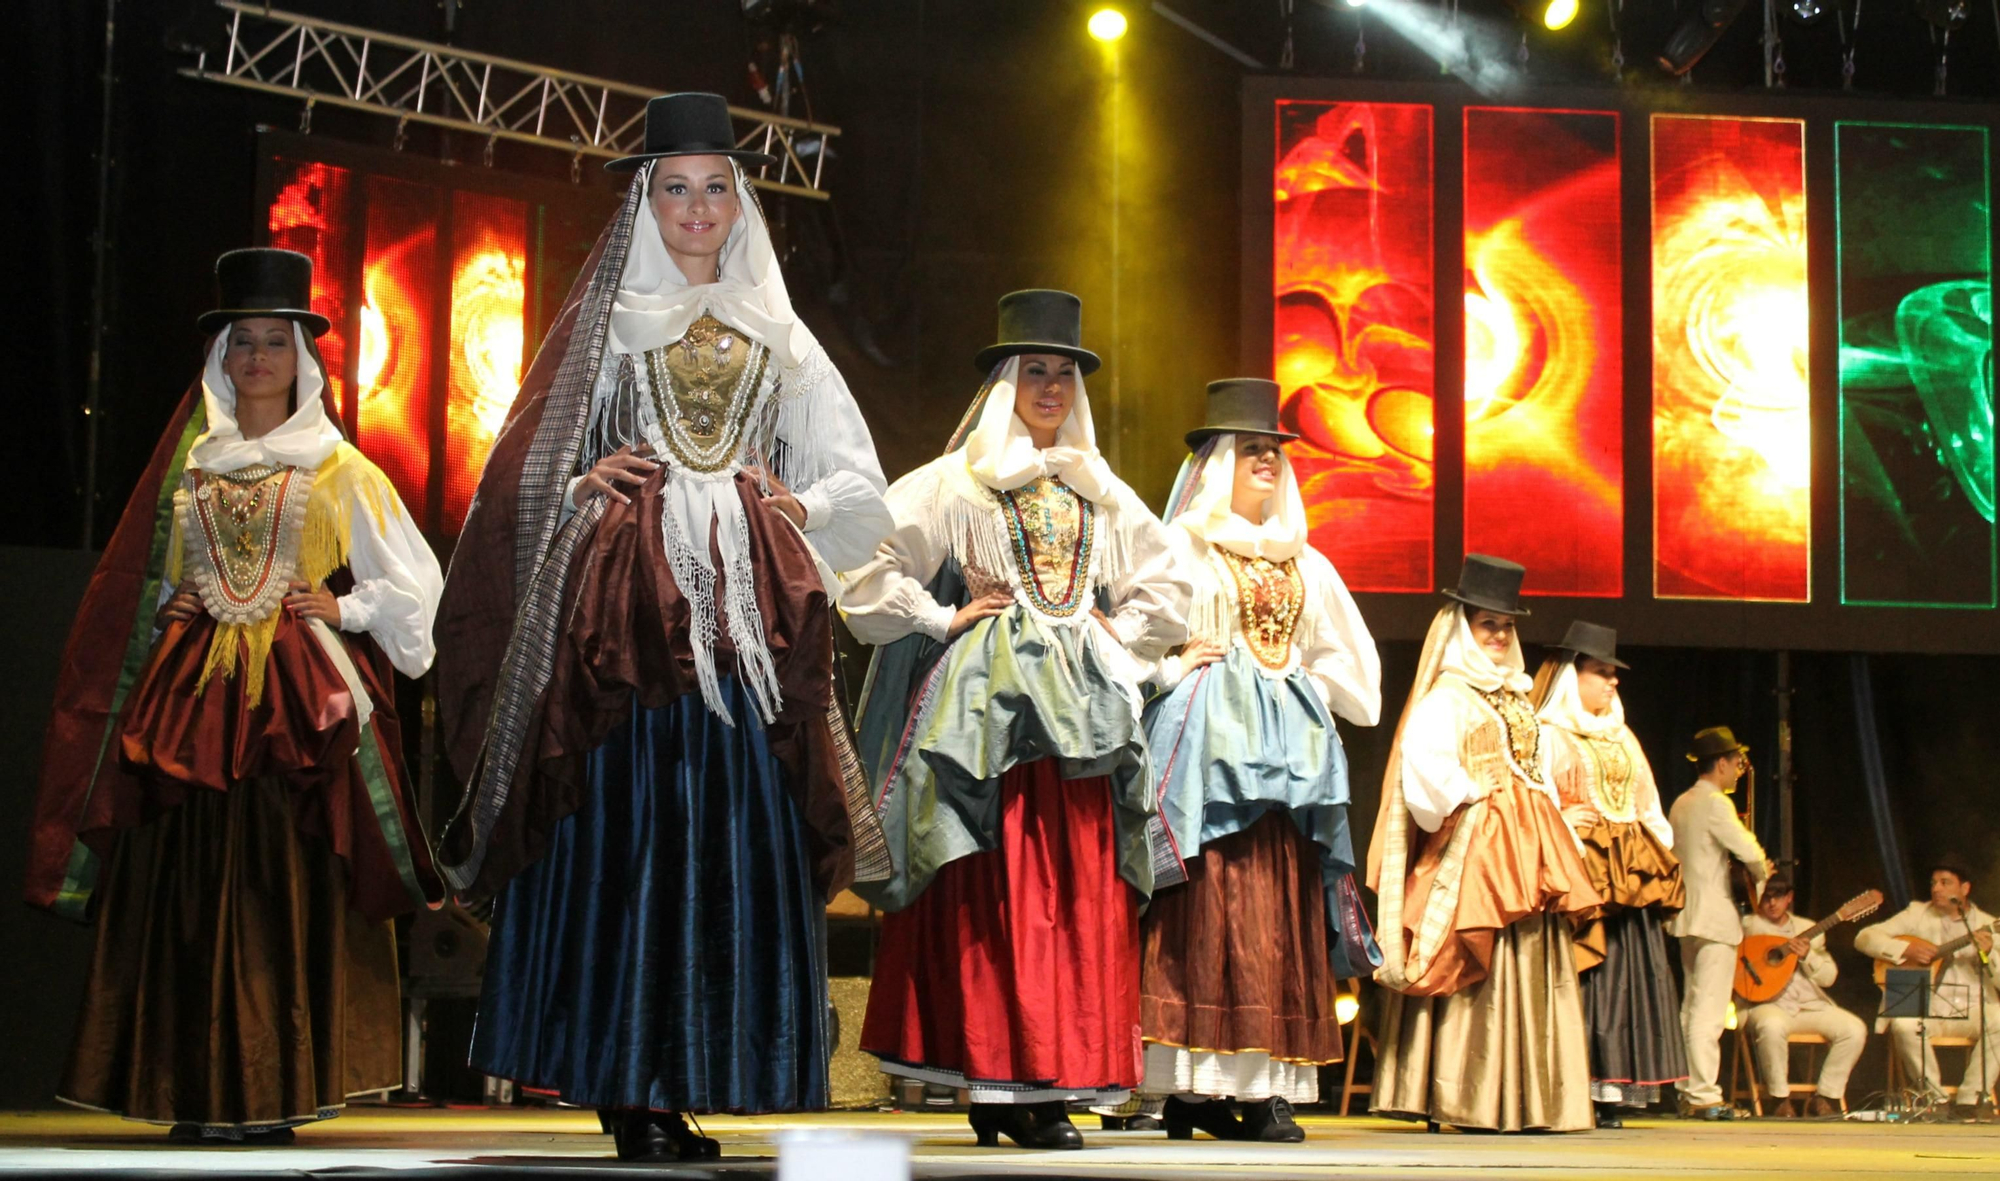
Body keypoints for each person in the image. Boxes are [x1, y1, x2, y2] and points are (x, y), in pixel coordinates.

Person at [433, 93, 895, 1162]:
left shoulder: (781, 339)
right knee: (626, 830)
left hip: (741, 627)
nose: (697, 207)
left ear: (740, 207)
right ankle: (625, 1080)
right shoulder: (604, 329)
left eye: (715, 188)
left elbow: (861, 485)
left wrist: (798, 507)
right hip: (621, 623)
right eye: (675, 188)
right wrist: (587, 480)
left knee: (723, 834)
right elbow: (517, 478)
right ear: (649, 201)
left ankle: (681, 1074)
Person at [26, 247, 444, 1141]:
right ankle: (190, 1088)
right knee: (183, 884)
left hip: (294, 707)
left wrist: (346, 601)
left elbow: (418, 586)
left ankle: (271, 1090)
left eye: (274, 340)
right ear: (221, 359)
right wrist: (173, 603)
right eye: (242, 341)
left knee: (277, 889)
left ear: (303, 358)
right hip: (191, 706)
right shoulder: (190, 471)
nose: (258, 357)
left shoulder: (341, 469)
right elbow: (149, 584)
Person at [841, 289, 1190, 1150]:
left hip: (1083, 718)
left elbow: (1171, 590)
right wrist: (938, 619)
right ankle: (1002, 1085)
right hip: (988, 715)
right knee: (998, 888)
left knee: (1077, 890)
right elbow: (865, 569)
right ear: (1004, 381)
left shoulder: (1099, 495)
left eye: (1064, 373)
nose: (1050, 387)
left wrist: (1119, 644)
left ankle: (1051, 1076)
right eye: (1034, 370)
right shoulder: (958, 483)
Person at [1135, 379, 1382, 1142]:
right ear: (1216, 464)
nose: (1267, 462)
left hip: (1287, 760)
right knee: (1206, 897)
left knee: (1277, 902)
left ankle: (1266, 1087)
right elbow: (1127, 636)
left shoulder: (1309, 565)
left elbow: (1359, 674)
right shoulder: (1182, 547)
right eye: (1251, 450)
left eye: (1274, 451)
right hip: (1207, 752)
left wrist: (1306, 683)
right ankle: (1188, 1088)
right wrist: (1172, 666)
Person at [1367, 555, 1601, 1134]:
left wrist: (1559, 827)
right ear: (1461, 628)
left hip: (1529, 850)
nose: (1498, 635)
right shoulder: (1447, 697)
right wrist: (1472, 789)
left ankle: (1531, 1098)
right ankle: (1468, 1095)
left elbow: (1537, 770)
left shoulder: (1515, 697)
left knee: (1531, 960)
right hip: (1476, 852)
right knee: (1479, 953)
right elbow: (1422, 776)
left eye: (1506, 625)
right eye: (1486, 624)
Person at [1531, 622, 1686, 1128]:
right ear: (1571, 676)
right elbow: (1534, 800)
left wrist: (1660, 855)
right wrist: (1560, 822)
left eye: (1614, 675)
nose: (1612, 683)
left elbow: (1648, 802)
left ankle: (1613, 1090)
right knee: (1589, 974)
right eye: (1601, 673)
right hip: (1582, 870)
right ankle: (1576, 1086)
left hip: (1630, 875)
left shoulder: (1623, 737)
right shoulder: (1549, 735)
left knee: (1630, 977)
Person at [1666, 725, 1771, 1120]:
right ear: (1722, 763)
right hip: (1713, 918)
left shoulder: (1680, 802)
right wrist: (1762, 872)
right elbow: (1749, 849)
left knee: (1690, 1006)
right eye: (1737, 763)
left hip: (1687, 916)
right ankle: (1705, 1095)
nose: (1740, 771)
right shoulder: (1714, 803)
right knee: (1708, 1011)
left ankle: (1688, 1089)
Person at [1855, 860, 1999, 1114]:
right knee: (1903, 1024)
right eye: (1934, 883)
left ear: (1965, 889)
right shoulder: (1916, 914)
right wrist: (1906, 949)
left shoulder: (1988, 925)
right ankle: (1935, 1100)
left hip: (1972, 1009)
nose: (1936, 889)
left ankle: (1972, 1098)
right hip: (1926, 1006)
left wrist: (1989, 955)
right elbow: (1864, 937)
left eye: (1945, 883)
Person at [1740, 875, 1868, 1118]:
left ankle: (1825, 1097)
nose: (1772, 903)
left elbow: (1829, 977)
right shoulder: (1747, 926)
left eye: (1778, 897)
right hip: (1768, 1003)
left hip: (1809, 1005)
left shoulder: (1808, 930)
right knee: (1771, 1025)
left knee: (1854, 1029)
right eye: (1766, 897)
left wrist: (1808, 956)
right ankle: (1779, 1100)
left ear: (1789, 898)